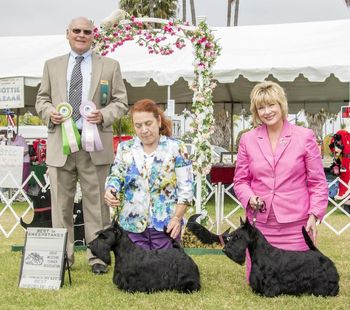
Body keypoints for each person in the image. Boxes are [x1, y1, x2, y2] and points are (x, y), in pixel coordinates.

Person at [35, 16, 128, 274]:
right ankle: (61, 258)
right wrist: (49, 112)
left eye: (87, 31)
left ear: (93, 35)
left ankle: (97, 257)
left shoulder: (110, 65)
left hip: (95, 146)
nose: (81, 34)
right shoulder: (51, 65)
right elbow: (41, 99)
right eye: (76, 30)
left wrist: (103, 115)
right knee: (60, 207)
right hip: (60, 145)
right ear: (67, 34)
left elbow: (121, 103)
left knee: (97, 205)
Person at [233, 81, 328, 280]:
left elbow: (317, 182)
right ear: (255, 111)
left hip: (297, 226)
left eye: (271, 105)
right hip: (261, 227)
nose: (267, 111)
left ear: (282, 105)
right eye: (261, 107)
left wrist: (314, 214)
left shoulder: (305, 136)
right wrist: (250, 198)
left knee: (300, 281)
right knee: (259, 283)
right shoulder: (247, 139)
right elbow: (241, 180)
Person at [104, 99, 193, 249]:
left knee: (166, 271)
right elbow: (116, 175)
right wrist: (110, 189)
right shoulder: (125, 148)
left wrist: (177, 218)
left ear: (158, 121)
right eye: (138, 126)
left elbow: (186, 189)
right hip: (132, 226)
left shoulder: (177, 148)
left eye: (148, 123)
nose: (144, 130)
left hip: (167, 226)